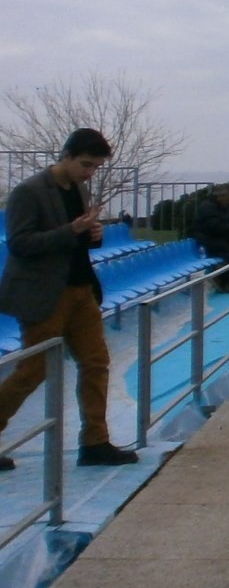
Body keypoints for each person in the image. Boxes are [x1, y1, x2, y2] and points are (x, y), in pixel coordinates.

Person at [0, 129, 138, 470]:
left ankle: (95, 442)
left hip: (81, 289)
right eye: (86, 165)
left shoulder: (79, 188)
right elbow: (20, 244)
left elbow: (76, 241)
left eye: (95, 167)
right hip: (45, 294)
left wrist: (93, 235)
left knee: (96, 363)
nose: (89, 173)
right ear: (66, 155)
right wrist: (73, 230)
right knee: (33, 370)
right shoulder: (28, 192)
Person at [192, 181, 229, 293]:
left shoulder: (220, 206)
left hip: (220, 244)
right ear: (221, 197)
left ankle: (227, 283)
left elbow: (228, 219)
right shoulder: (207, 208)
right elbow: (215, 226)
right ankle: (224, 282)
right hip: (210, 244)